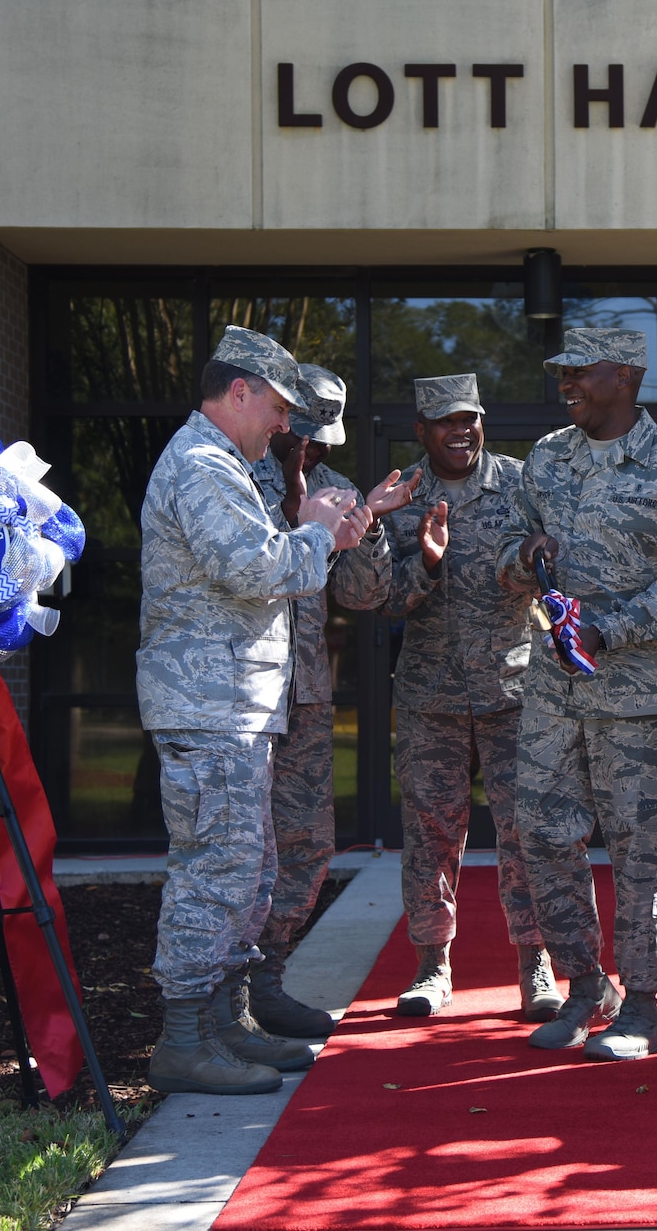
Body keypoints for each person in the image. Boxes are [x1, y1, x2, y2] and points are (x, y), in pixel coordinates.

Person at [137, 326, 373, 1095]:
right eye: (277, 407)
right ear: (238, 391)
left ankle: (227, 1024)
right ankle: (182, 1040)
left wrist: (322, 537)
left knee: (250, 871)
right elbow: (253, 566)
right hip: (210, 709)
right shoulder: (203, 465)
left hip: (236, 707)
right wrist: (318, 535)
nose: (283, 425)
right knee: (214, 874)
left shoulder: (224, 465)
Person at [498, 326, 657, 1061]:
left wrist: (609, 629)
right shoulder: (547, 458)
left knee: (639, 849)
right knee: (542, 832)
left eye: (579, 372)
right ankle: (588, 986)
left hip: (641, 694)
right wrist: (524, 558)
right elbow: (511, 550)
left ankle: (645, 1006)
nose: (565, 384)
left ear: (624, 375)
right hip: (554, 690)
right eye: (559, 372)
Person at [379, 373, 559, 1021]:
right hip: (432, 696)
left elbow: (552, 566)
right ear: (422, 430)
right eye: (446, 421)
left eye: (470, 419)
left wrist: (541, 561)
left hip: (514, 690)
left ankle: (535, 964)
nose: (462, 431)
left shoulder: (519, 484)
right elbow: (377, 600)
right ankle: (432, 966)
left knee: (524, 832)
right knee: (430, 835)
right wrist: (424, 566)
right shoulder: (402, 497)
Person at [246, 362, 403, 1039]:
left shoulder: (338, 492)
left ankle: (266, 980)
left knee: (306, 847)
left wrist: (366, 525)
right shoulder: (233, 479)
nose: (309, 453)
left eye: (321, 444)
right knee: (236, 850)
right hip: (239, 697)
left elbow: (363, 597)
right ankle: (222, 995)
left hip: (305, 696)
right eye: (299, 438)